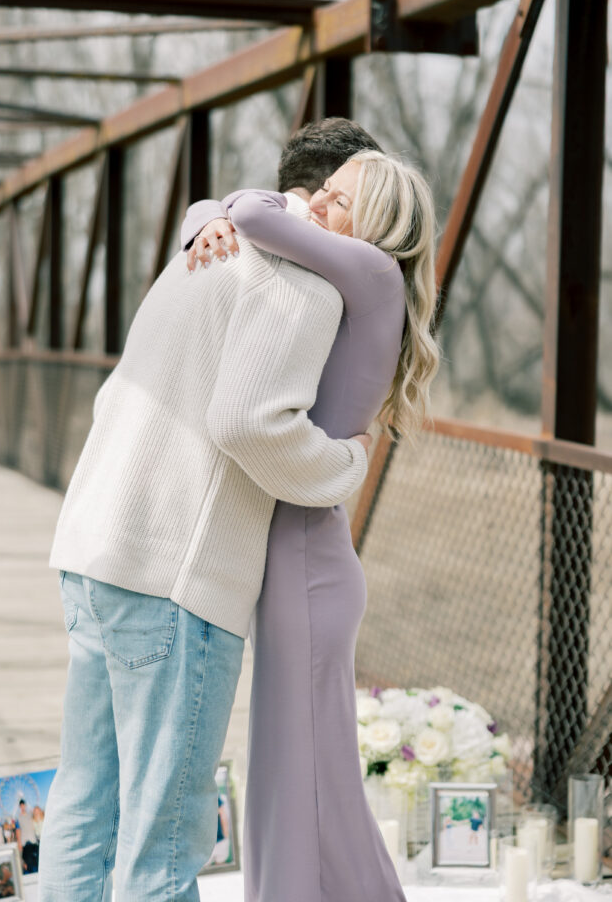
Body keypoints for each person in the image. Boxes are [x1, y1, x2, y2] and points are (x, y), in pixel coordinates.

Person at [38, 120, 377, 902]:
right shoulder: (300, 282)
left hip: (95, 546)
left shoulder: (205, 248)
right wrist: (347, 463)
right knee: (162, 846)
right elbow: (247, 423)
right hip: (173, 578)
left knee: (85, 804)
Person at [182, 134, 439, 902]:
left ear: (378, 223)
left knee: (303, 778)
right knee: (297, 771)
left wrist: (229, 213)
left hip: (306, 568)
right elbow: (234, 213)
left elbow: (258, 212)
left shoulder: (369, 271)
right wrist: (205, 218)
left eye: (339, 198)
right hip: (303, 564)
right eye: (319, 188)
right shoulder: (349, 276)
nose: (317, 202)